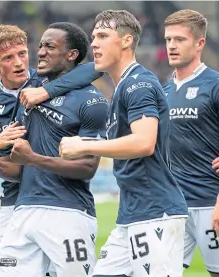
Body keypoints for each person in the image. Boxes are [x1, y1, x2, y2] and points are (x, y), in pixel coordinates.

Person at [0, 24, 102, 277]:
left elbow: (93, 69)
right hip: (15, 200)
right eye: (8, 58)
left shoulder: (45, 79)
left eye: (22, 54)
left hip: (55, 197)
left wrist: (45, 91)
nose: (19, 63)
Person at [59, 10, 188, 277]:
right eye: (93, 37)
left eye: (103, 36)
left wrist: (84, 145)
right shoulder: (123, 86)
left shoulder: (138, 84)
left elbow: (144, 143)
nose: (94, 43)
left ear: (127, 40)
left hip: (154, 213)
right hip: (131, 214)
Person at [162, 9, 219, 277]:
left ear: (199, 43)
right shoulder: (164, 90)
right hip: (174, 207)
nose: (171, 46)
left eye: (179, 39)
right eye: (168, 40)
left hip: (212, 205)